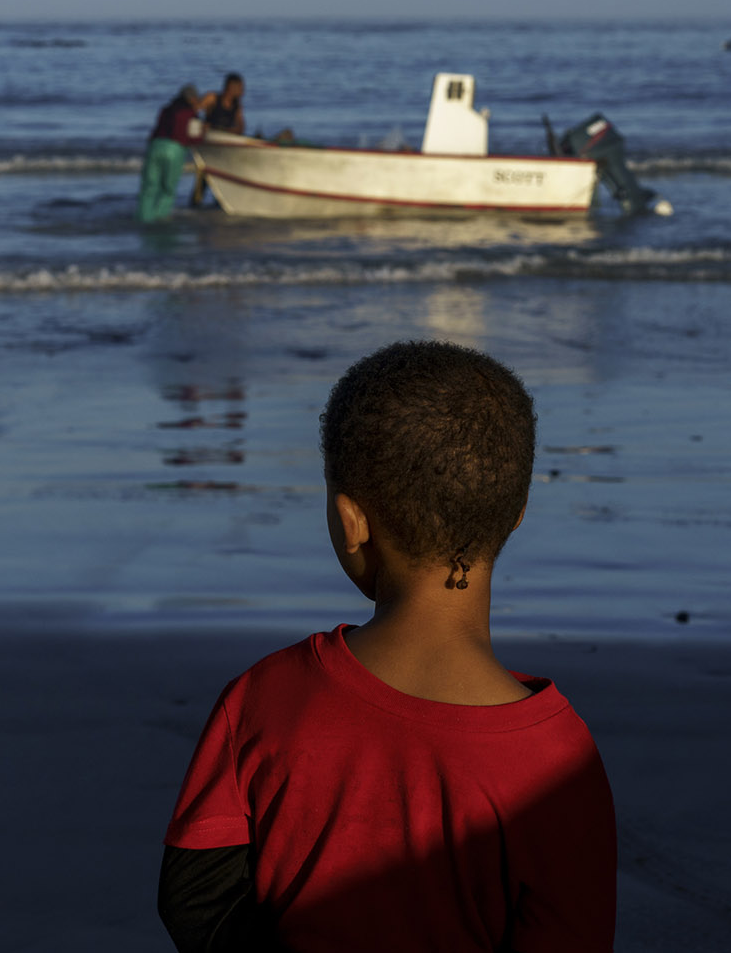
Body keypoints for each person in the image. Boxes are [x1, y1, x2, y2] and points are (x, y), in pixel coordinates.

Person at [158, 341, 617, 953]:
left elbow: (194, 900)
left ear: (352, 520)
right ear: (515, 514)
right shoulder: (561, 760)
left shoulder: (266, 698)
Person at [139, 85, 203, 223]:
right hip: (175, 149)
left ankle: (144, 217)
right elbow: (195, 138)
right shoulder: (191, 114)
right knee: (168, 188)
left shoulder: (167, 109)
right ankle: (160, 218)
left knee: (149, 186)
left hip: (155, 146)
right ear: (192, 99)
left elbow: (157, 128)